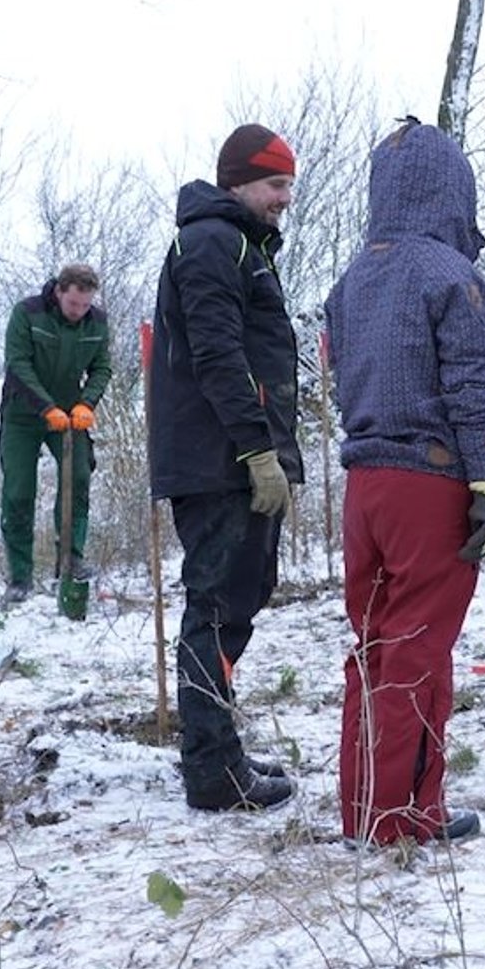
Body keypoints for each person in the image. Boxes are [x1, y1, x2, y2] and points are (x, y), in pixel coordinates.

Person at [325, 118, 485, 847]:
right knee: (418, 650)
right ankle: (403, 818)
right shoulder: (448, 275)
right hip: (428, 484)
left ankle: (364, 809)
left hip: (363, 486)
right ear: (451, 192)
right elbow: (468, 387)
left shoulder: (350, 281)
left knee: (372, 644)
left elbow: (343, 383)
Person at [149, 124, 302, 812]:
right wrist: (257, 449)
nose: (284, 200)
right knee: (213, 610)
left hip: (229, 460)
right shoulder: (213, 242)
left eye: (288, 187)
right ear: (239, 180)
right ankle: (212, 770)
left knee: (234, 603)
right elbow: (218, 355)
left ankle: (219, 744)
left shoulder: (236, 242)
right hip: (218, 465)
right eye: (275, 185)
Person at [0, 262, 112, 604]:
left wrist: (88, 403)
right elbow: (18, 365)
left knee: (78, 479)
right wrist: (46, 407)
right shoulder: (28, 313)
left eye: (85, 305)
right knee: (19, 491)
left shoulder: (98, 323)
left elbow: (102, 367)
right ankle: (20, 576)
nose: (79, 311)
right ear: (59, 292)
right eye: (73, 304)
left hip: (71, 415)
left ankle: (71, 560)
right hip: (23, 414)